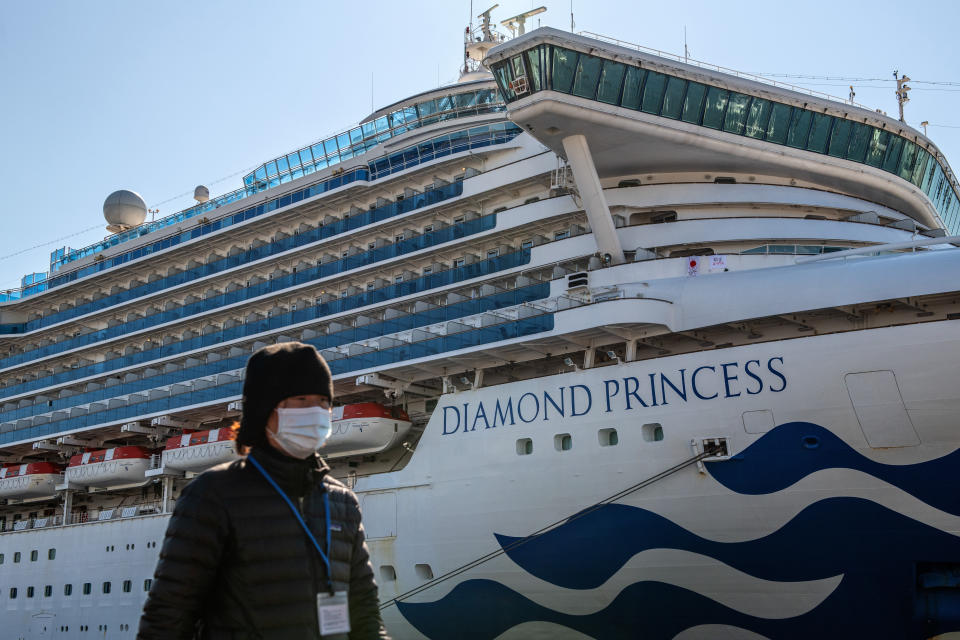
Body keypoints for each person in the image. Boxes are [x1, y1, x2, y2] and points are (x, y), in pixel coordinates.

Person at [138, 342, 389, 639]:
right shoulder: (213, 495)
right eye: (302, 398)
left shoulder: (341, 501)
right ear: (265, 409)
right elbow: (168, 616)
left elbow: (364, 613)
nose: (317, 411)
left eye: (324, 401)